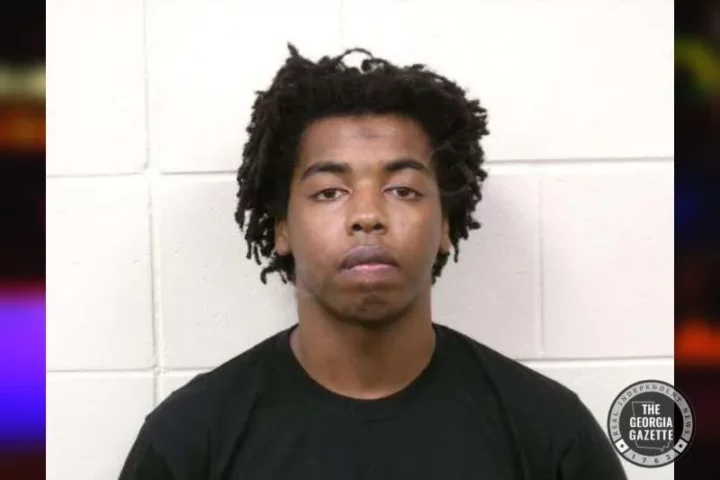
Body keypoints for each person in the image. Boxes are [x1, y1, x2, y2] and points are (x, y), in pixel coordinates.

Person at [119, 44, 627, 479]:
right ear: (281, 227)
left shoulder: (549, 433)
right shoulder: (189, 441)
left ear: (445, 225)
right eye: (329, 191)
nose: (367, 215)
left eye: (403, 190)